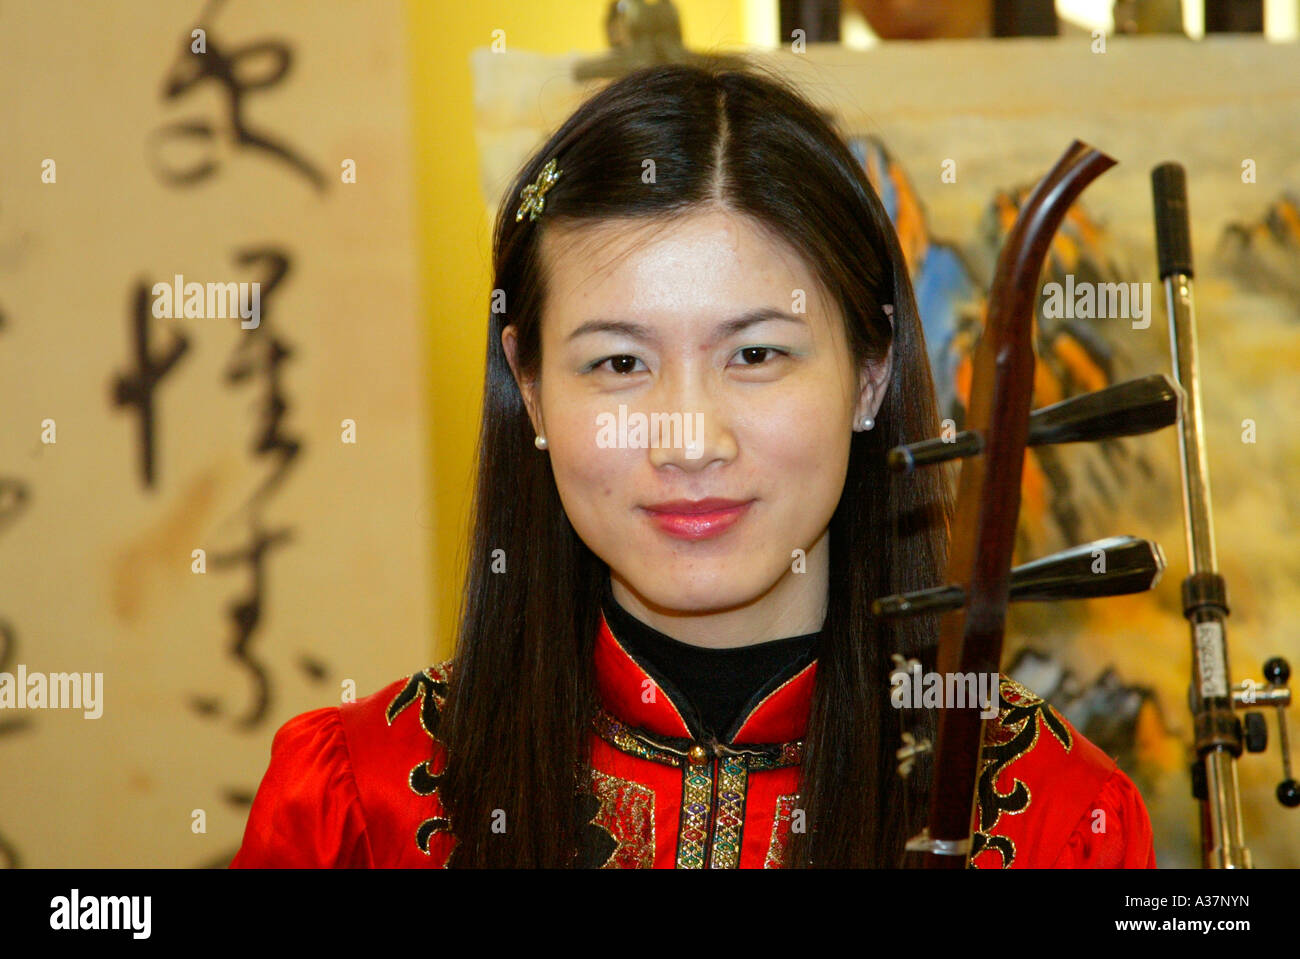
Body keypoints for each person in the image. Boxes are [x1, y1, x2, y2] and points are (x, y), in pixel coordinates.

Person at [230, 61, 1156, 869]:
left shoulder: (1053, 818)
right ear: (533, 388)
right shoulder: (360, 804)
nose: (690, 441)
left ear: (871, 374)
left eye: (755, 354)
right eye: (619, 363)